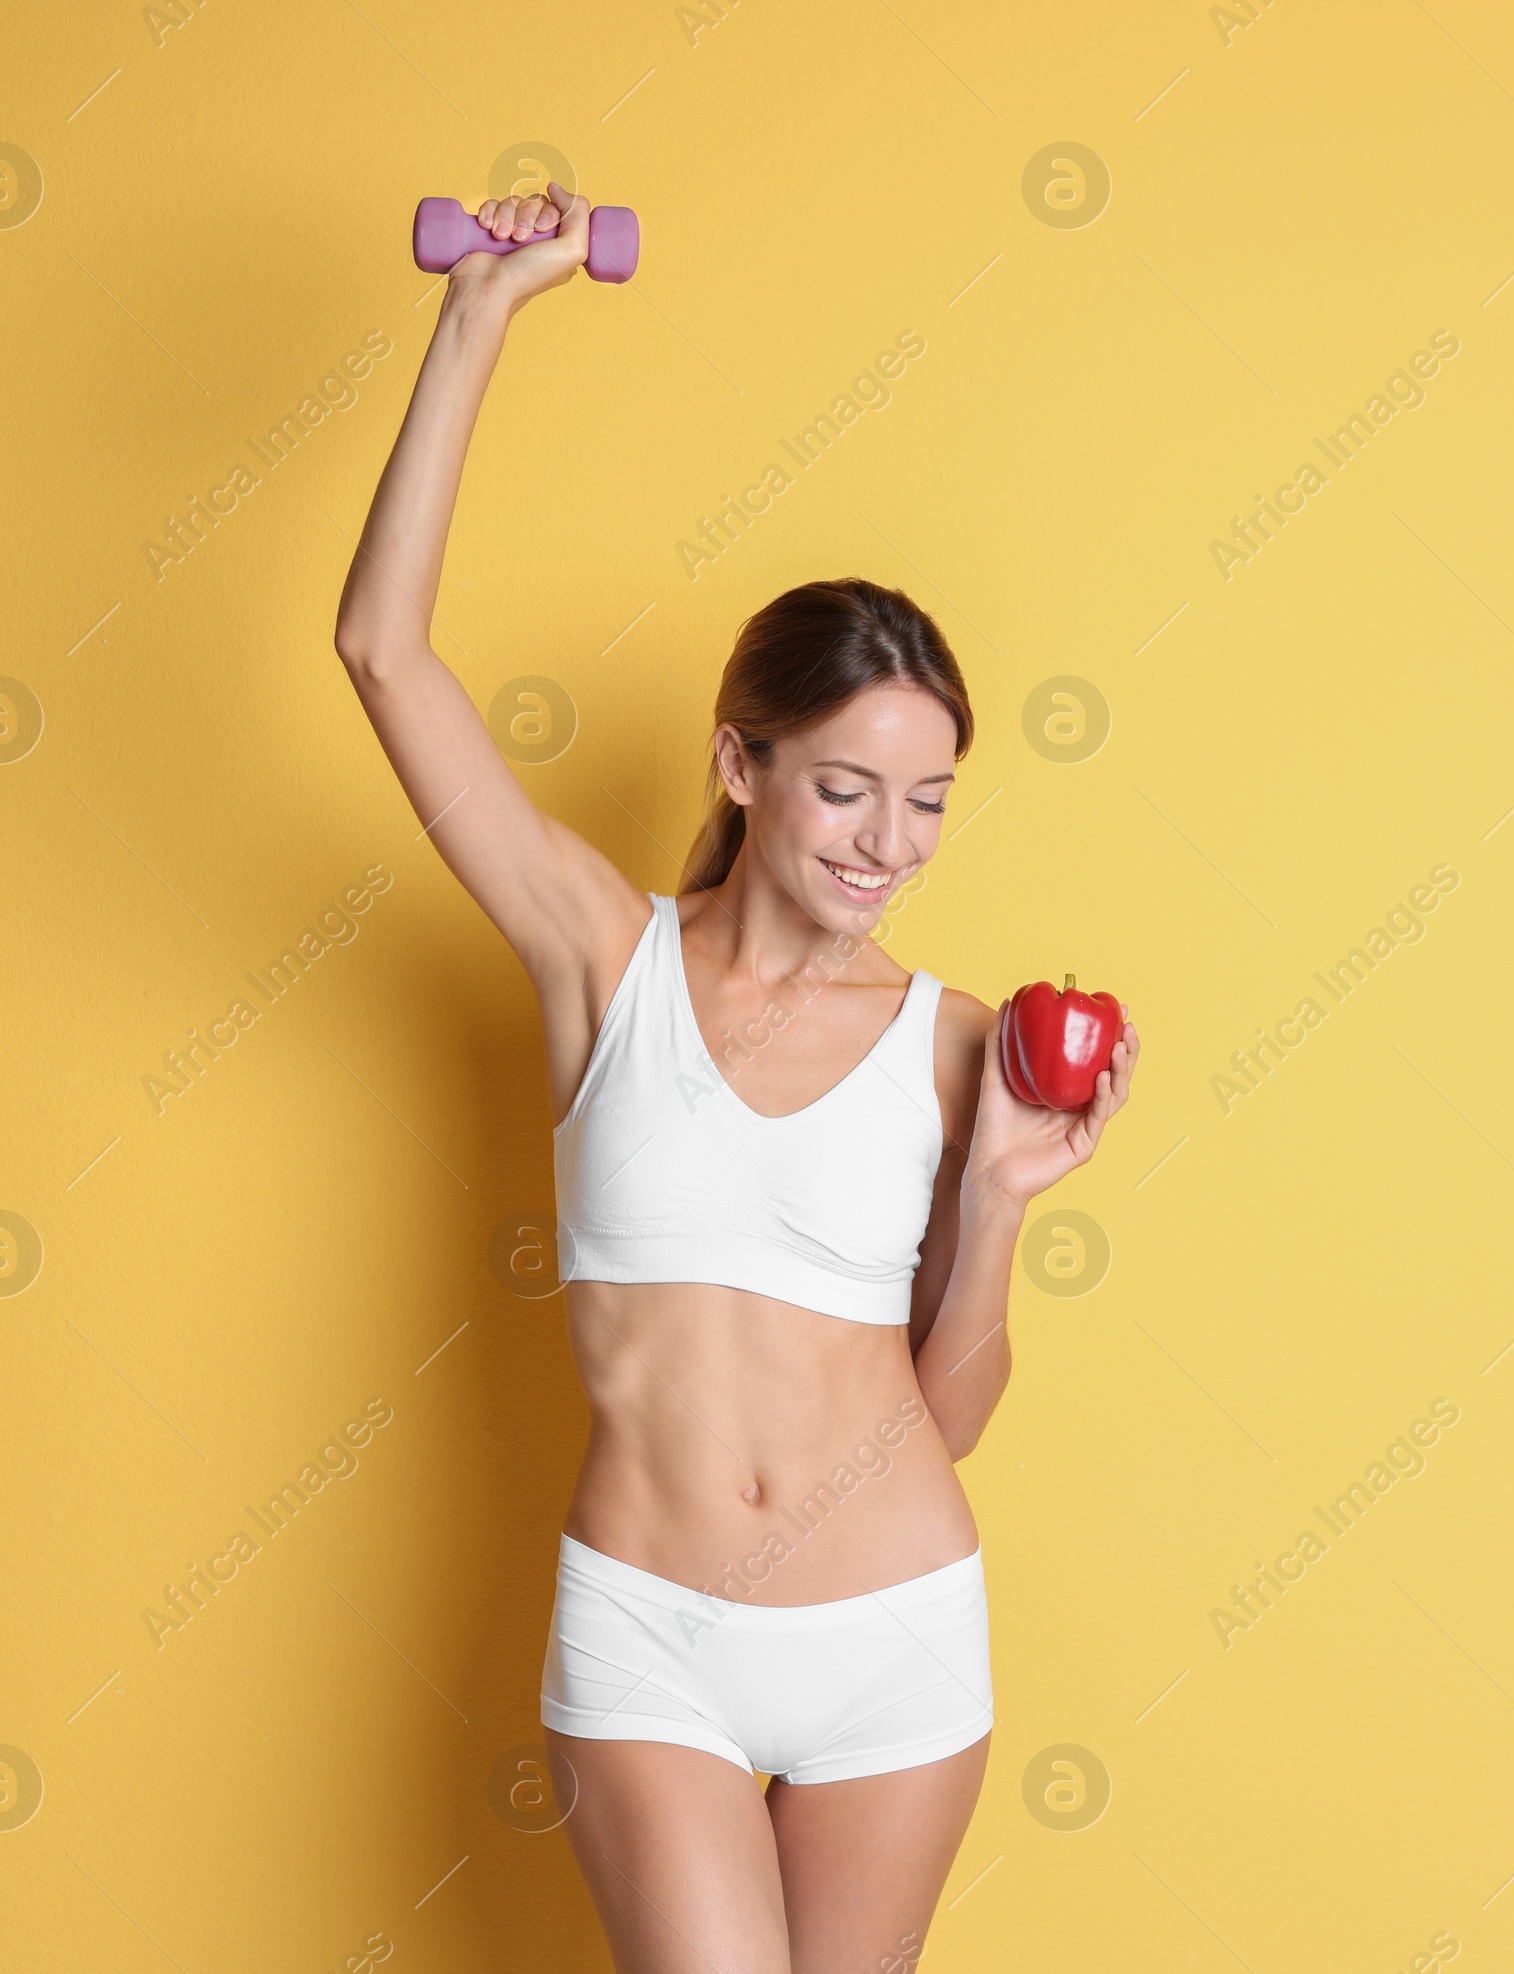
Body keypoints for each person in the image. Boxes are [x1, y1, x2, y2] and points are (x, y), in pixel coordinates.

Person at [334, 183, 1138, 1974]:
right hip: (650, 1634)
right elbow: (384, 654)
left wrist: (1000, 1193)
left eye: (927, 801)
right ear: (744, 762)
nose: (888, 842)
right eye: (847, 785)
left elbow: (952, 1413)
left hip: (894, 1637)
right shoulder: (599, 959)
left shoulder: (957, 1043)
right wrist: (483, 319)